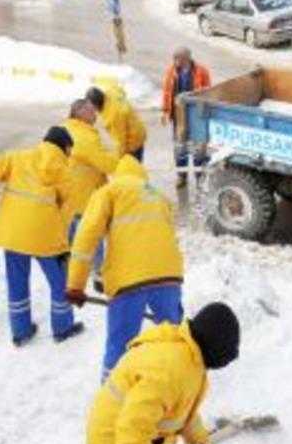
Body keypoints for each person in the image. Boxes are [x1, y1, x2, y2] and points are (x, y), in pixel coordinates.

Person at [0, 126, 84, 346]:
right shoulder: (65, 173)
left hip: (13, 234)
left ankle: (21, 332)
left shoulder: (17, 158)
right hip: (46, 239)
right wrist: (63, 247)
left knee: (17, 282)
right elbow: (65, 215)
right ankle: (63, 328)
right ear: (65, 147)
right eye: (70, 150)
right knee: (60, 283)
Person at [66, 155, 185, 380]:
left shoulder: (109, 192)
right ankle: (175, 387)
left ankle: (111, 397)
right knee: (172, 340)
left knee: (120, 344)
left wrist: (75, 285)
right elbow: (170, 239)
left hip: (129, 282)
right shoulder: (159, 196)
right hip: (170, 277)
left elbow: (86, 238)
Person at [86, 302, 240, 444]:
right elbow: (133, 428)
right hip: (113, 441)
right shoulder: (169, 371)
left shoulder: (190, 356)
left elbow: (185, 412)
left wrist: (199, 441)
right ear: (215, 348)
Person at [62, 99, 120, 291]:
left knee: (72, 235)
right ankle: (98, 276)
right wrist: (118, 155)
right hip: (84, 196)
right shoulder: (84, 137)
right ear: (79, 113)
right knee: (92, 235)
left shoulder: (68, 129)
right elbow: (108, 164)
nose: (94, 112)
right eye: (90, 109)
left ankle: (68, 270)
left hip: (70, 195)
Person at [161, 46, 212, 188]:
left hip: (197, 116)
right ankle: (181, 176)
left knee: (198, 148)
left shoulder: (202, 71)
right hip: (179, 116)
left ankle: (200, 177)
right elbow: (167, 92)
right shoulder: (171, 72)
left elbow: (209, 92)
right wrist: (165, 111)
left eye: (177, 59)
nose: (175, 62)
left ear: (186, 58)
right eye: (174, 59)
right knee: (180, 147)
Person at [85, 84, 148, 161]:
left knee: (131, 169)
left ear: (96, 105)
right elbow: (120, 89)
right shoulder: (111, 92)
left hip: (133, 141)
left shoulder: (113, 117)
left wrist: (117, 161)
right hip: (137, 127)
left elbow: (121, 142)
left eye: (91, 107)